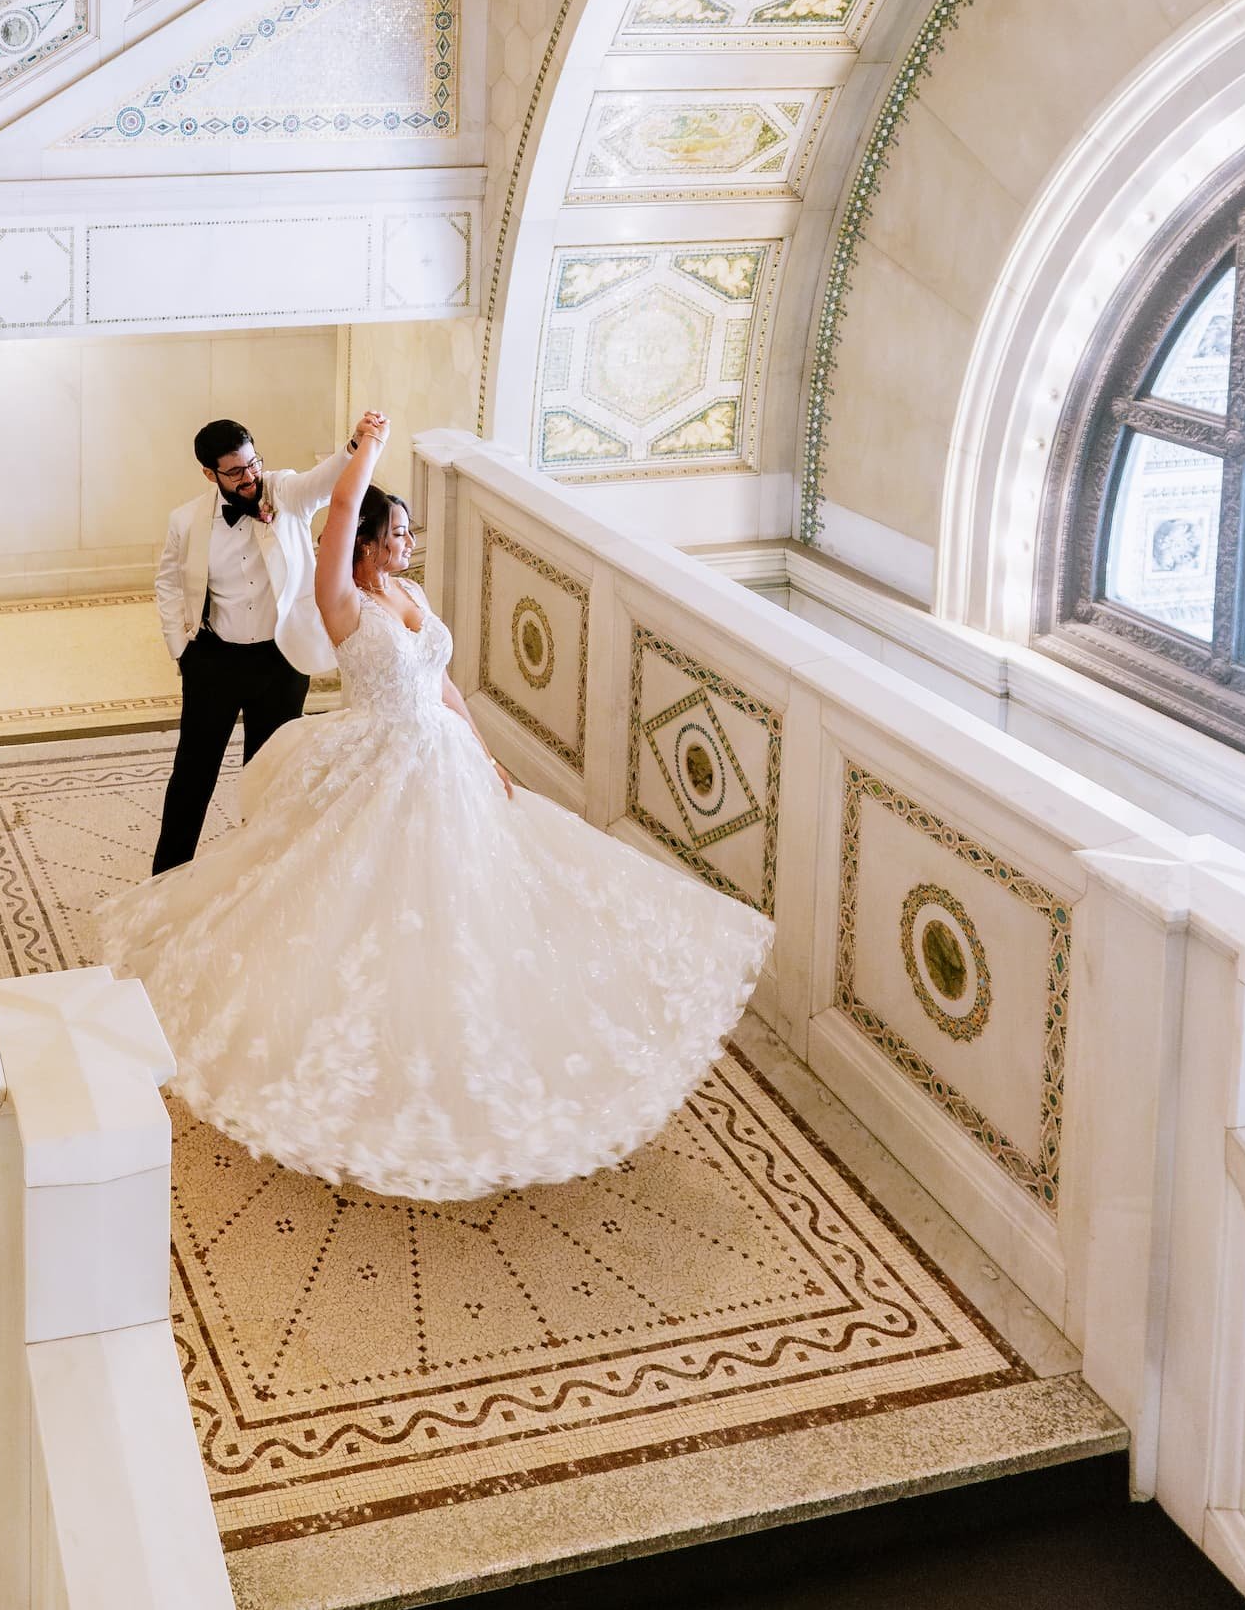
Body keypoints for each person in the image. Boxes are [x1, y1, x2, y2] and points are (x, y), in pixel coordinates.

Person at [96, 412, 769, 1200]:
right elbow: (337, 509)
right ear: (368, 540)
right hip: (376, 760)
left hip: (444, 762)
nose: (408, 543)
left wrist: (483, 751)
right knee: (345, 901)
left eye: (409, 533)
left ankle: (454, 1045)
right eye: (398, 532)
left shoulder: (410, 592)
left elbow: (438, 682)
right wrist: (367, 450)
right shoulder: (340, 595)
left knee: (463, 910)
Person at [149, 415, 357, 875]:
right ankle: (164, 875)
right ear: (210, 474)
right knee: (192, 774)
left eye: (253, 463)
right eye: (236, 472)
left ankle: (261, 873)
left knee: (270, 773)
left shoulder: (282, 492)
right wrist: (180, 650)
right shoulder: (185, 521)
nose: (250, 477)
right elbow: (166, 583)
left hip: (279, 661)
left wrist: (355, 444)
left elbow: (322, 484)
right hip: (213, 660)